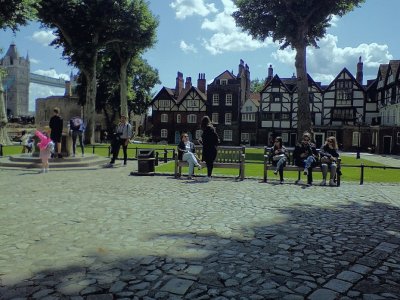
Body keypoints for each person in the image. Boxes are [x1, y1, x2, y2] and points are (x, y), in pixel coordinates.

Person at [199, 116, 219, 181]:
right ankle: (209, 175)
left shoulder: (205, 131)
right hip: (213, 149)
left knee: (208, 163)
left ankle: (209, 176)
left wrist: (200, 142)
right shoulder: (212, 129)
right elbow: (217, 140)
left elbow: (204, 143)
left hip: (207, 150)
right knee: (210, 163)